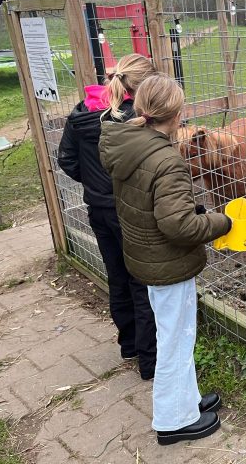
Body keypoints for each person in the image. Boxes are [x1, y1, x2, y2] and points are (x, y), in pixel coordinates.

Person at [99, 73, 231, 445]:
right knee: (176, 338)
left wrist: (192, 208)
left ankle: (186, 401)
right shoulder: (166, 160)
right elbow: (178, 226)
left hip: (145, 256)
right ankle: (173, 422)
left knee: (175, 333)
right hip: (167, 262)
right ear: (176, 115)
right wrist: (223, 221)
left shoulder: (128, 144)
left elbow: (151, 205)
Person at [57, 53, 157, 380]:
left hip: (97, 210)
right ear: (141, 87)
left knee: (116, 274)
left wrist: (94, 184)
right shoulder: (135, 118)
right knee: (141, 280)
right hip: (129, 210)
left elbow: (67, 160)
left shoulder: (81, 112)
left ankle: (128, 344)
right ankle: (150, 360)